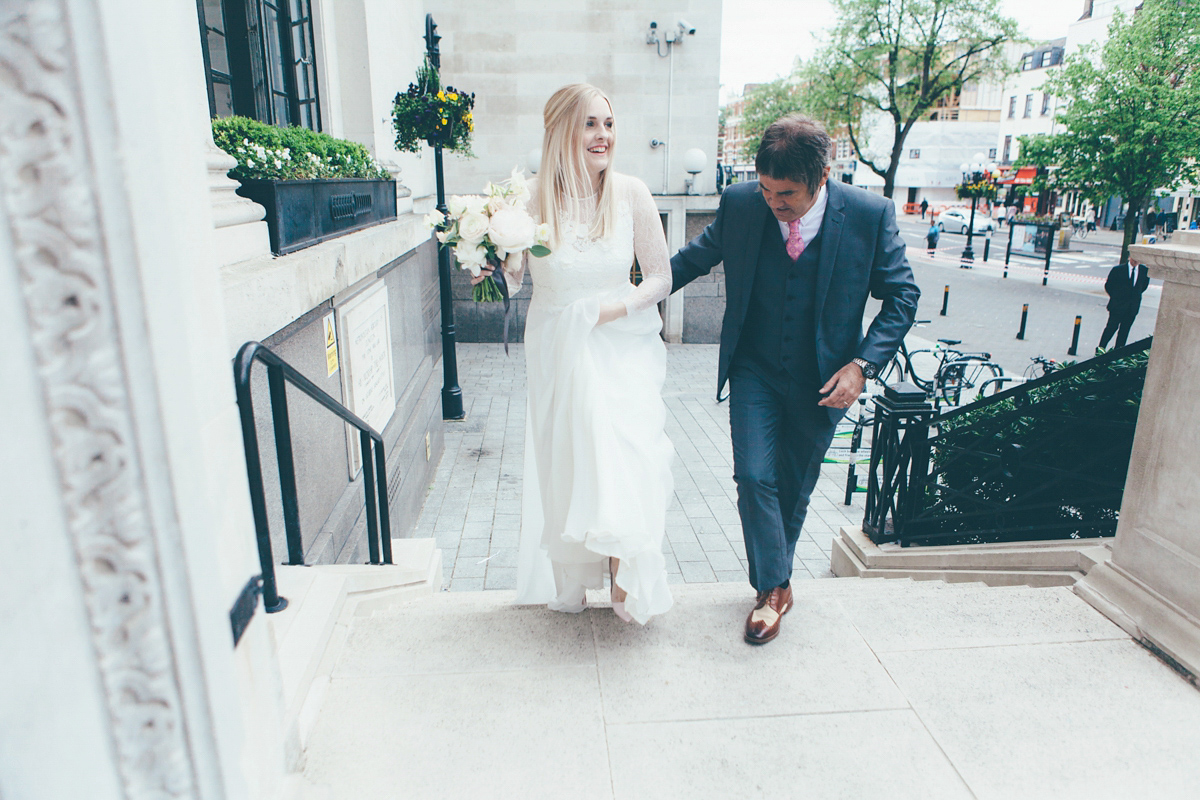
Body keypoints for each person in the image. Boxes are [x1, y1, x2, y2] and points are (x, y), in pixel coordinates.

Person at [669, 114, 919, 644]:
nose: (773, 203)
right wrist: (628, 286)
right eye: (765, 189)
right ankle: (775, 587)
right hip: (755, 367)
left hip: (825, 379)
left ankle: (772, 590)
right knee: (754, 477)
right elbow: (691, 260)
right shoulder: (741, 205)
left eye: (787, 194)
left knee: (794, 486)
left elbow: (903, 297)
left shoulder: (870, 216)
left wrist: (861, 365)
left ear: (822, 176)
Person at [481, 84, 674, 624]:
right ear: (563, 130)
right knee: (573, 457)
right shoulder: (528, 200)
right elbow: (516, 278)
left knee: (622, 454)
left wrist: (613, 310)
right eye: (591, 124)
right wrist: (489, 264)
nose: (603, 135)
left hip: (620, 346)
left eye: (609, 124)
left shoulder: (632, 193)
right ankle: (582, 572)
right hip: (558, 345)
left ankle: (624, 573)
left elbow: (660, 276)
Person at [1099, 256, 1150, 351]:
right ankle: (1101, 348)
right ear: (1129, 257)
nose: (1135, 260)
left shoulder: (1144, 271)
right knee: (1111, 328)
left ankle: (1118, 351)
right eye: (1133, 258)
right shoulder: (1118, 270)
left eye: (1137, 259)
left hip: (1132, 308)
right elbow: (1109, 285)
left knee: (1124, 331)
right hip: (1117, 306)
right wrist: (1117, 297)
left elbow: (1143, 286)